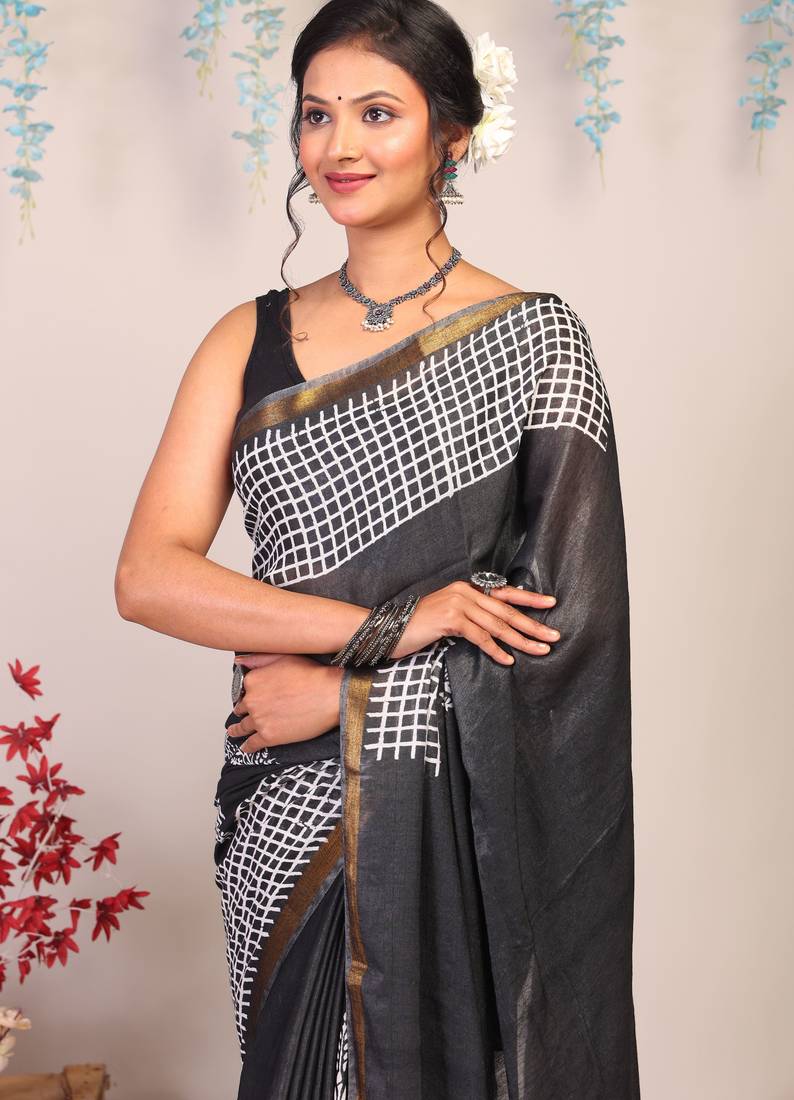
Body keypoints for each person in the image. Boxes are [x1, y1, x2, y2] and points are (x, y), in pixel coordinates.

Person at [115, 1, 641, 1097]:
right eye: (317, 115)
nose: (339, 146)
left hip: (445, 813)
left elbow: (569, 644)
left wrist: (345, 697)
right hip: (283, 809)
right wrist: (384, 628)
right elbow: (149, 576)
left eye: (376, 113)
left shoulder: (537, 342)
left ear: (452, 133)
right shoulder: (245, 338)